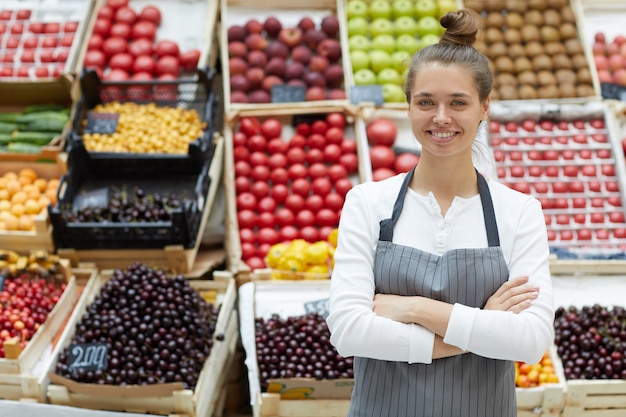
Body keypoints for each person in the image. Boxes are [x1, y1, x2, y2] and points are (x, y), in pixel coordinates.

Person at [326, 9, 555, 417]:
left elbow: (531, 340)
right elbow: (348, 331)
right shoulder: (367, 203)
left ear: (485, 107)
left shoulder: (519, 212)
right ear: (409, 106)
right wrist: (480, 327)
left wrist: (415, 309)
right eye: (426, 102)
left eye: (458, 102)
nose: (441, 117)